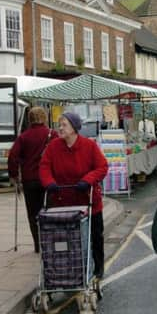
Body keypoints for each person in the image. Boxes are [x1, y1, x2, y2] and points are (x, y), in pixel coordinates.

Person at [39, 112, 108, 278]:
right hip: (63, 202)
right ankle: (70, 270)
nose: (60, 128)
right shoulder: (53, 147)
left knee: (95, 237)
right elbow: (44, 167)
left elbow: (102, 167)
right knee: (66, 240)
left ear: (74, 128)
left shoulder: (89, 146)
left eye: (64, 125)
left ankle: (98, 267)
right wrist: (49, 183)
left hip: (88, 201)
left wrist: (88, 180)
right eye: (59, 125)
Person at [8, 107, 58, 253]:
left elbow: (13, 157)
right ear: (44, 117)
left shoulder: (23, 137)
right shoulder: (52, 134)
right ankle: (48, 241)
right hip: (47, 179)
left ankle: (38, 244)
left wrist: (14, 175)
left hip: (29, 180)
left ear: (30, 119)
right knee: (49, 210)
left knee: (33, 213)